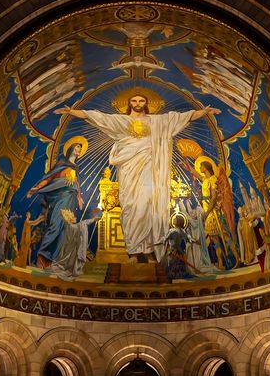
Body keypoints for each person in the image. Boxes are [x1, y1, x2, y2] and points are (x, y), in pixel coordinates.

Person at [58, 90, 215, 259]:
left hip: (149, 168)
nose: (138, 103)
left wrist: (204, 112)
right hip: (128, 169)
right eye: (134, 100)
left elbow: (183, 117)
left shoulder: (157, 121)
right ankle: (133, 250)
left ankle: (149, 250)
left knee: (148, 204)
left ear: (146, 103)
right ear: (130, 103)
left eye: (141, 100)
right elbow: (98, 118)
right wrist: (71, 112)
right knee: (131, 206)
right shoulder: (121, 121)